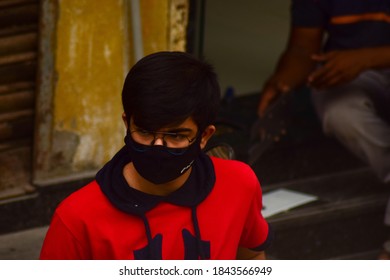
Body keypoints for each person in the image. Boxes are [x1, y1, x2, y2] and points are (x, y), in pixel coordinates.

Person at [40, 51, 273, 260]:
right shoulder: (76, 220)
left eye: (177, 135)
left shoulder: (239, 185)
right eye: (144, 131)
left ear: (204, 136)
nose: (158, 146)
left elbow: (251, 258)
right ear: (126, 123)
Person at [258, 0, 390, 259]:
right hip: (349, 73)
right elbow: (302, 47)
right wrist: (283, 82)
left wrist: (366, 58)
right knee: (339, 111)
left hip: (359, 63)